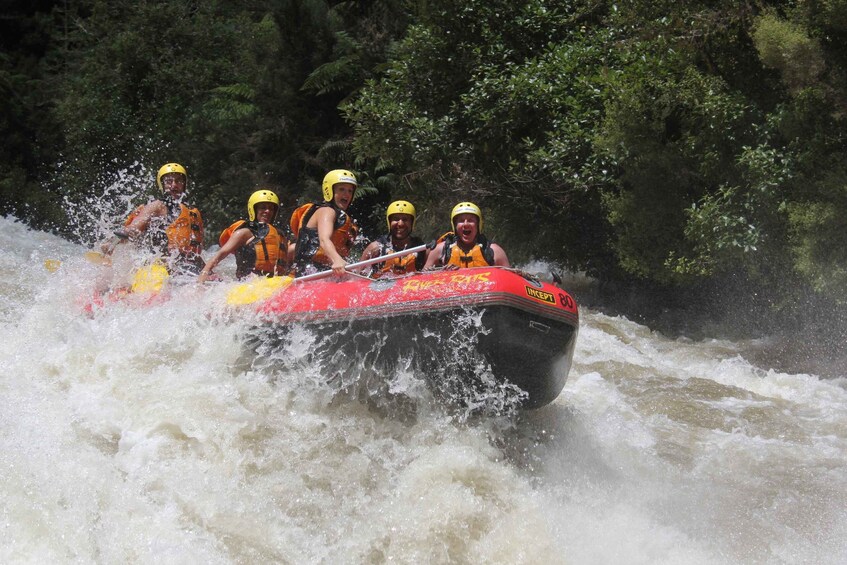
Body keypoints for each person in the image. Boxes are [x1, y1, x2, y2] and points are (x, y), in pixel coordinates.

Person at [101, 162, 205, 276]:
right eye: (169, 181)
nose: (174, 185)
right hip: (162, 265)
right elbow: (135, 227)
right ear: (162, 185)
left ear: (184, 185)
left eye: (178, 181)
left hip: (188, 265)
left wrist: (207, 270)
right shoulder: (157, 206)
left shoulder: (193, 212)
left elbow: (197, 251)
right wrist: (119, 238)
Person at [197, 189, 288, 284]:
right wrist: (203, 275)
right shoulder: (244, 233)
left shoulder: (279, 236)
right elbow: (221, 254)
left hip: (275, 282)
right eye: (262, 208)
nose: (267, 211)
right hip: (248, 283)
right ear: (254, 210)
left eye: (271, 208)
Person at [290, 169, 359, 277]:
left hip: (324, 271)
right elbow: (323, 239)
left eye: (350, 191)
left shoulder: (340, 216)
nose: (347, 194)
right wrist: (336, 260)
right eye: (342, 189)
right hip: (309, 272)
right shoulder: (326, 211)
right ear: (329, 191)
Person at [423, 201, 510, 269]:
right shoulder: (440, 250)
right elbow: (422, 280)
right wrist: (441, 272)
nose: (466, 224)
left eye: (471, 220)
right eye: (461, 221)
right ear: (455, 226)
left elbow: (512, 280)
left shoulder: (495, 251)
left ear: (478, 224)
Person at [359, 200, 426, 278]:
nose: (400, 224)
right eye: (396, 219)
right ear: (389, 222)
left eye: (405, 219)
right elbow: (357, 275)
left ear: (412, 223)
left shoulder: (421, 248)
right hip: (380, 288)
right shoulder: (376, 248)